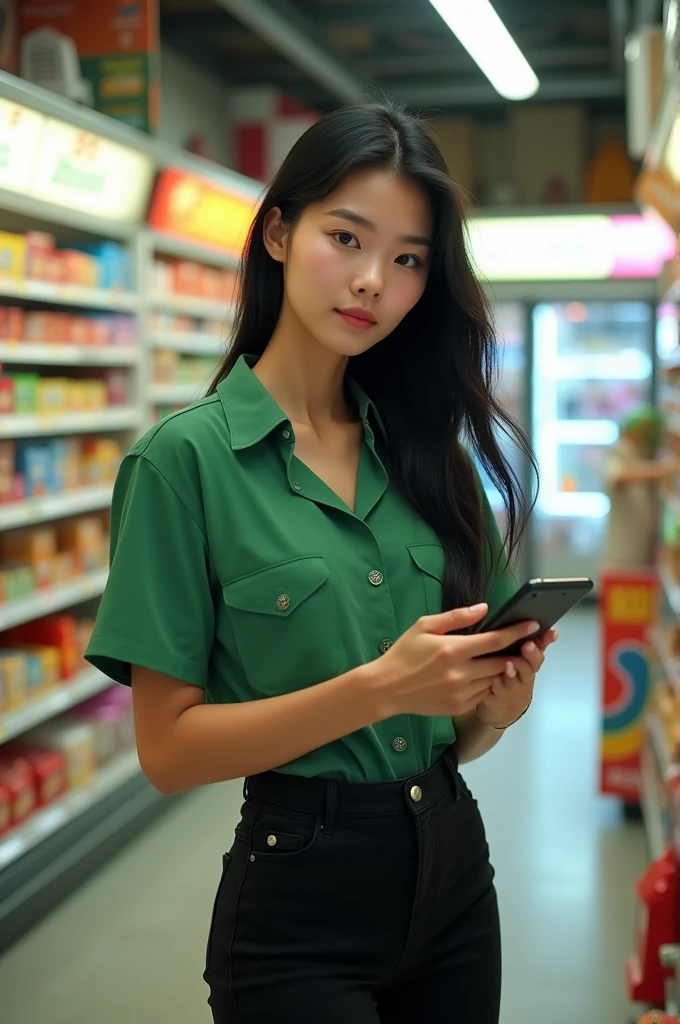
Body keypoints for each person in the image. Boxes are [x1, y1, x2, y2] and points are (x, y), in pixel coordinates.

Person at [85, 101, 557, 1024]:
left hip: (456, 873)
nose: (373, 280)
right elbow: (168, 751)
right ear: (277, 232)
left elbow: (447, 726)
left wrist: (494, 711)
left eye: (409, 259)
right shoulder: (184, 465)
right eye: (347, 237)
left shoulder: (430, 455)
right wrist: (380, 688)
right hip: (299, 901)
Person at [602, 408, 676, 569]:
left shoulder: (643, 455)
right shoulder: (618, 453)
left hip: (643, 553)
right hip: (623, 556)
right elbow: (619, 476)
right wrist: (664, 469)